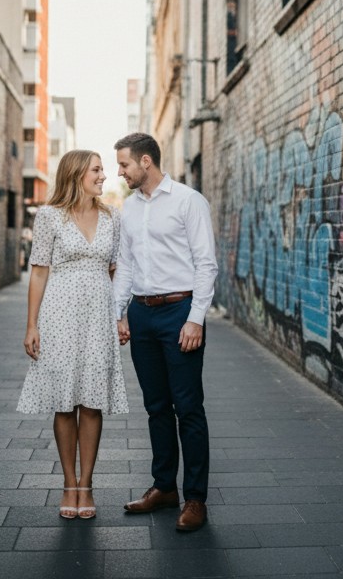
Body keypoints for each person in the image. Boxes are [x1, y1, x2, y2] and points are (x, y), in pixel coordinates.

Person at [110, 132, 218, 532]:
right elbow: (125, 265)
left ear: (145, 162)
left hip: (179, 312)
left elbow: (206, 264)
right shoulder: (129, 208)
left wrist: (196, 318)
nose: (119, 173)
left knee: (188, 407)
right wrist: (119, 313)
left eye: (124, 165)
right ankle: (164, 487)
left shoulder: (188, 201)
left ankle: (195, 499)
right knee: (156, 406)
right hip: (142, 315)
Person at [17, 149, 130, 520]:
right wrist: (32, 324)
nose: (103, 176)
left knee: (92, 402)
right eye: (96, 170)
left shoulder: (113, 217)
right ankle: (69, 483)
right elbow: (38, 271)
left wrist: (120, 317)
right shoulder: (49, 216)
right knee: (64, 402)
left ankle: (87, 484)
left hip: (98, 317)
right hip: (59, 316)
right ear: (77, 173)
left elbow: (116, 272)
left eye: (103, 170)